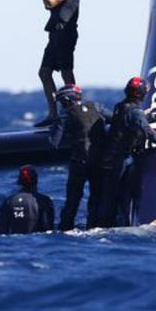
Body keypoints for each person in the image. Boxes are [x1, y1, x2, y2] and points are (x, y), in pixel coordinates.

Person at [10, 0, 81, 125]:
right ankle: (53, 115)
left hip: (66, 31)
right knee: (44, 72)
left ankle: (75, 112)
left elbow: (49, 3)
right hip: (55, 32)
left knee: (66, 72)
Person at [89, 77, 156, 229]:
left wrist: (154, 117)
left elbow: (130, 119)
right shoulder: (135, 112)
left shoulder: (121, 106)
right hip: (120, 160)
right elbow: (145, 129)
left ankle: (99, 224)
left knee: (107, 195)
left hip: (109, 158)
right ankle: (114, 226)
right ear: (142, 94)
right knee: (120, 196)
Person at [50, 84, 109, 231]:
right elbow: (115, 118)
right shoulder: (96, 107)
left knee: (73, 199)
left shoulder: (66, 115)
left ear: (66, 101)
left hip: (79, 162)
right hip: (99, 162)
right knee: (96, 197)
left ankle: (66, 227)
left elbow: (54, 143)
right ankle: (93, 226)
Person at [0, 165, 55, 234]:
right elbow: (48, 229)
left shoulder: (7, 202)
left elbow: (1, 231)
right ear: (36, 180)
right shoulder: (45, 201)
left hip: (14, 243)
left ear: (19, 182)